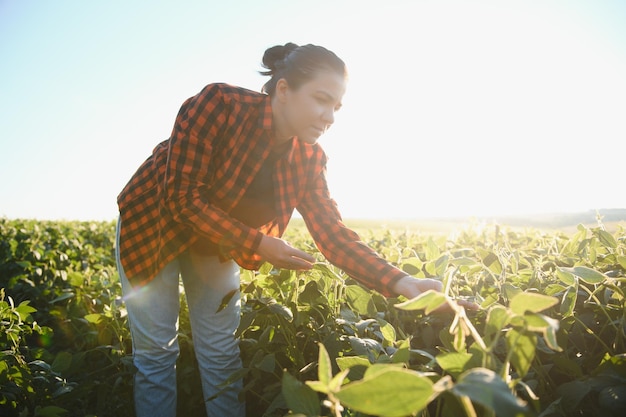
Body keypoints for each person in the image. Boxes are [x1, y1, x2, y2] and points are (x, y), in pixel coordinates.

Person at [116, 42, 474, 417]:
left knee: (221, 350)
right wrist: (258, 243)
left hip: (217, 241)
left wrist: (405, 284)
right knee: (157, 352)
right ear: (283, 90)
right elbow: (182, 198)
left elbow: (333, 234)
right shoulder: (219, 104)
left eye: (337, 107)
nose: (330, 117)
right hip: (155, 224)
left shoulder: (310, 158)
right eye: (322, 99)